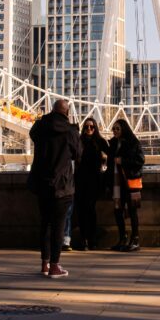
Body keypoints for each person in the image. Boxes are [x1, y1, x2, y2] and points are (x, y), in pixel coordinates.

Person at [28, 99, 81, 277]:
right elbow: (77, 154)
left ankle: (44, 263)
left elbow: (32, 135)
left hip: (42, 182)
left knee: (45, 224)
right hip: (62, 184)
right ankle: (55, 265)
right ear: (66, 112)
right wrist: (75, 130)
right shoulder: (70, 130)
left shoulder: (40, 126)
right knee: (58, 226)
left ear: (53, 110)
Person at [105, 118, 144, 252]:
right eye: (113, 129)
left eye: (117, 129)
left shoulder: (133, 143)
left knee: (132, 211)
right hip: (116, 183)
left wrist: (123, 161)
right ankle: (122, 238)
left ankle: (135, 239)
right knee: (118, 211)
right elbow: (110, 163)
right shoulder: (113, 143)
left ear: (123, 129)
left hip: (130, 182)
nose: (114, 131)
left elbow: (140, 160)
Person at [73, 117, 109, 250]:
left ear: (95, 128)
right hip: (80, 180)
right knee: (81, 211)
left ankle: (91, 239)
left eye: (92, 127)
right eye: (87, 127)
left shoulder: (100, 141)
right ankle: (84, 239)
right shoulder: (79, 141)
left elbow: (111, 155)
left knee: (90, 210)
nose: (89, 129)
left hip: (94, 180)